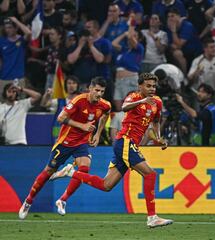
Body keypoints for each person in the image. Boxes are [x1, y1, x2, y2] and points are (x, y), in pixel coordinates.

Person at [50, 73, 173, 228]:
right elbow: (124, 107)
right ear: (140, 86)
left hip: (130, 144)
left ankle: (71, 172)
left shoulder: (157, 102)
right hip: (125, 141)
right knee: (150, 173)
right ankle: (152, 217)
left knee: (106, 185)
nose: (152, 89)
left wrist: (159, 138)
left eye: (154, 86)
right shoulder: (134, 97)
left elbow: (155, 121)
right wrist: (143, 100)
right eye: (148, 86)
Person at [18, 77, 111, 219]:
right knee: (48, 171)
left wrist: (97, 134)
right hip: (65, 142)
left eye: (102, 91)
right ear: (90, 89)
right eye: (97, 90)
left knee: (84, 169)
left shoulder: (104, 105)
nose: (99, 94)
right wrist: (83, 126)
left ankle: (62, 200)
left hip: (81, 143)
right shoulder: (79, 101)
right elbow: (60, 118)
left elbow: (106, 114)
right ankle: (28, 201)